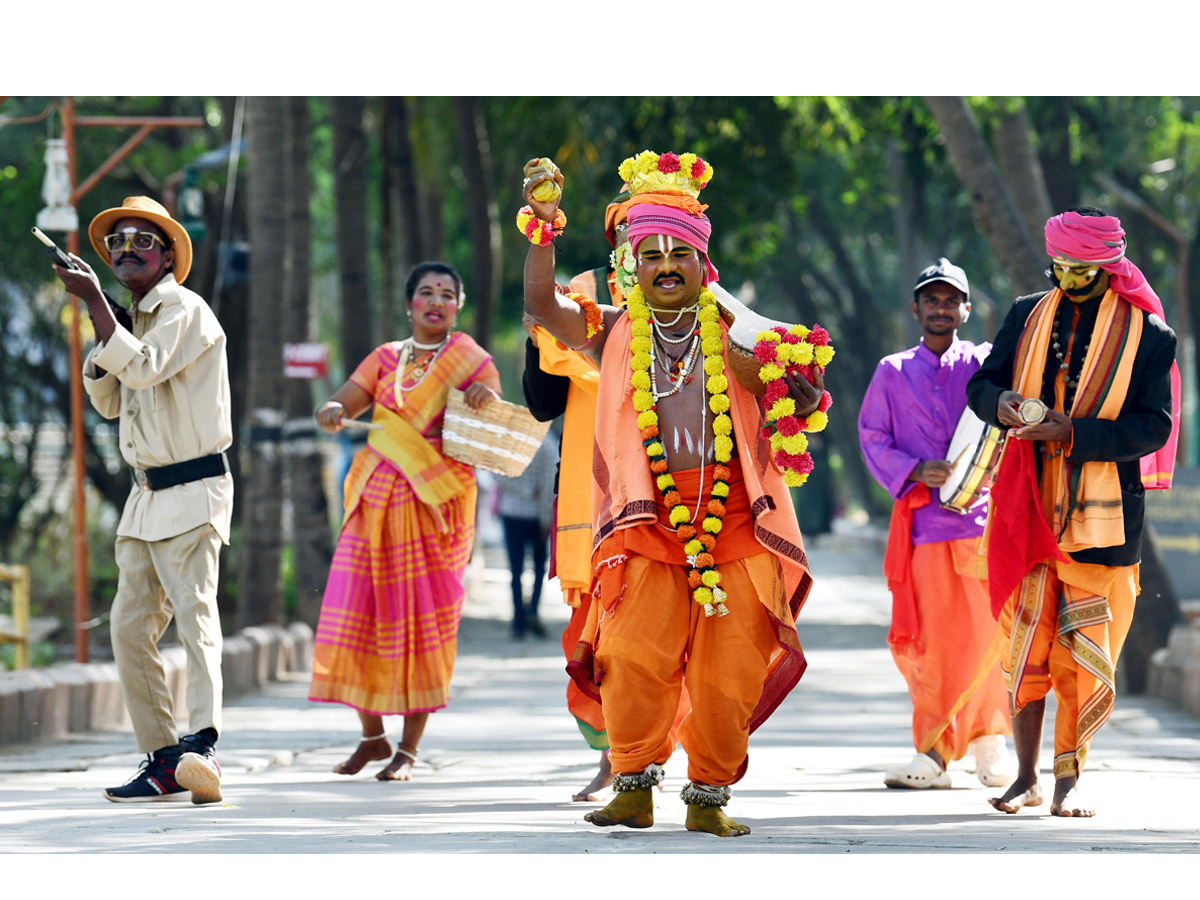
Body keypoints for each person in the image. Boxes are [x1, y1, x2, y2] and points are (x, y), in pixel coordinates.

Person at [521, 151, 820, 837]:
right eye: (648, 252)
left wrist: (798, 397)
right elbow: (542, 305)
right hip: (645, 517)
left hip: (735, 519)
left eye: (678, 253)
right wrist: (542, 227)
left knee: (731, 667)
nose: (663, 264)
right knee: (630, 654)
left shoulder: (741, 339)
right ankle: (632, 783)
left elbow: (792, 401)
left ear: (701, 264)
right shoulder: (612, 330)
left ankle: (708, 797)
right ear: (631, 262)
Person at [966, 208, 1178, 817]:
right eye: (1059, 266)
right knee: (1026, 644)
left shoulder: (1150, 336)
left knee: (1084, 653)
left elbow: (1155, 426)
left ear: (1109, 267)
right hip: (1026, 504)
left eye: (1081, 269)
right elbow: (980, 385)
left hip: (1105, 521)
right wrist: (1000, 401)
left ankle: (1070, 781)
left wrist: (1073, 434)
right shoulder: (1025, 314)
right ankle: (1027, 776)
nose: (1067, 278)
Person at [52, 196, 232, 805]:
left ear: (167, 257)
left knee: (194, 616)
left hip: (193, 488)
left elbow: (147, 370)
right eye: (117, 241)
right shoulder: (128, 319)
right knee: (129, 629)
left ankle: (202, 745)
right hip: (146, 498)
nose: (127, 248)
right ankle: (162, 759)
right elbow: (107, 401)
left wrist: (98, 308)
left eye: (142, 241)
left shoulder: (183, 307)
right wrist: (105, 321)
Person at [309, 261, 502, 781]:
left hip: (436, 511)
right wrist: (331, 408)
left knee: (425, 625)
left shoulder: (469, 358)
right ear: (409, 304)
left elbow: (493, 406)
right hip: (371, 505)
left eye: (446, 293)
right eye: (425, 292)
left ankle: (408, 750)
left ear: (457, 306)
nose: (435, 301)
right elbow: (346, 399)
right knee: (355, 615)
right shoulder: (385, 358)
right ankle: (372, 739)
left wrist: (485, 397)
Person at [858, 258, 1013, 790]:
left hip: (982, 523)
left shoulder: (988, 366)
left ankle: (991, 744)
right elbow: (873, 436)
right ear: (916, 308)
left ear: (967, 309)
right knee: (929, 643)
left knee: (989, 636)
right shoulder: (891, 371)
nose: (941, 308)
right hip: (924, 524)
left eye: (952, 300)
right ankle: (932, 753)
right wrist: (914, 470)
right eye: (932, 299)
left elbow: (1007, 430)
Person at [497, 428, 559, 640]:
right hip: (536, 517)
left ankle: (518, 623)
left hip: (511, 511)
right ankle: (532, 611)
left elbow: (499, 476)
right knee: (539, 567)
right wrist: (546, 520)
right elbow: (550, 485)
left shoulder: (509, 441)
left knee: (515, 569)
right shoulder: (547, 445)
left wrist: (522, 491)